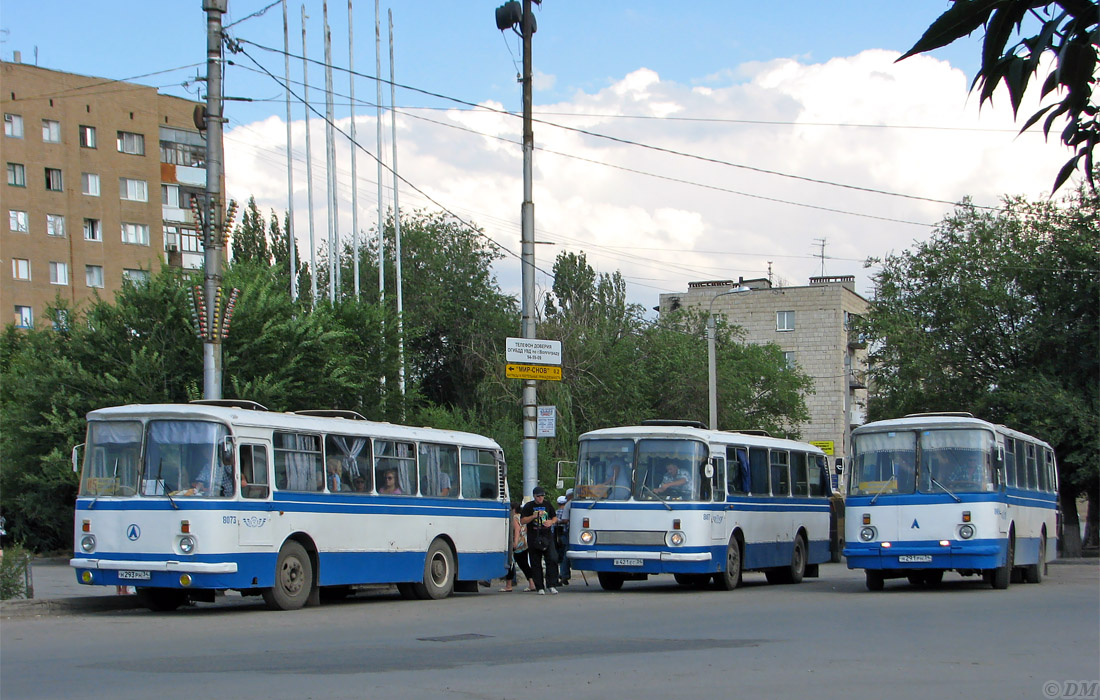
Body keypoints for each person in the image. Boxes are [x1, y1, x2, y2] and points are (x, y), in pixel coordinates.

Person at [520, 486, 559, 594]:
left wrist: (551, 522)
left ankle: (551, 584)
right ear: (534, 496)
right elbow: (522, 521)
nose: (541, 498)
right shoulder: (528, 506)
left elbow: (554, 517)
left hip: (547, 536)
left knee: (552, 558)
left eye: (542, 496)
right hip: (534, 537)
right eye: (538, 496)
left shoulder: (547, 505)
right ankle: (539, 587)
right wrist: (533, 516)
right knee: (535, 562)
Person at [502, 503, 535, 592]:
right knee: (524, 565)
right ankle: (532, 583)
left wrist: (515, 542)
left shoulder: (514, 518)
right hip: (524, 543)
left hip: (516, 545)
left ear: (513, 509)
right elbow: (525, 528)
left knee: (510, 564)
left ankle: (508, 585)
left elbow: (516, 529)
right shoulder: (522, 517)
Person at [557, 489, 573, 585]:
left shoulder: (568, 505)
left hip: (568, 532)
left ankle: (564, 575)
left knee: (565, 554)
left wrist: (558, 521)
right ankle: (565, 574)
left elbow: (565, 520)